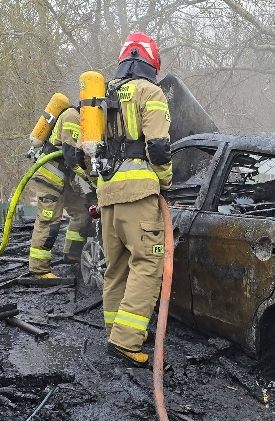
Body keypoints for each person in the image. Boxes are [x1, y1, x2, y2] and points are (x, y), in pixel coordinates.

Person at [96, 32, 172, 366]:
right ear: (151, 64)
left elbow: (89, 154)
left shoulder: (102, 97)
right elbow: (158, 146)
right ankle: (128, 341)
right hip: (139, 194)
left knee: (116, 268)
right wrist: (165, 179)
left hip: (107, 194)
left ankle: (116, 331)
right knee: (147, 263)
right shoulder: (150, 92)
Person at [27, 98, 91, 279]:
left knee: (82, 211)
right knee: (49, 222)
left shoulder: (79, 119)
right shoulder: (72, 116)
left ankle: (72, 254)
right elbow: (71, 157)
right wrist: (91, 179)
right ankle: (39, 270)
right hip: (50, 178)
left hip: (64, 180)